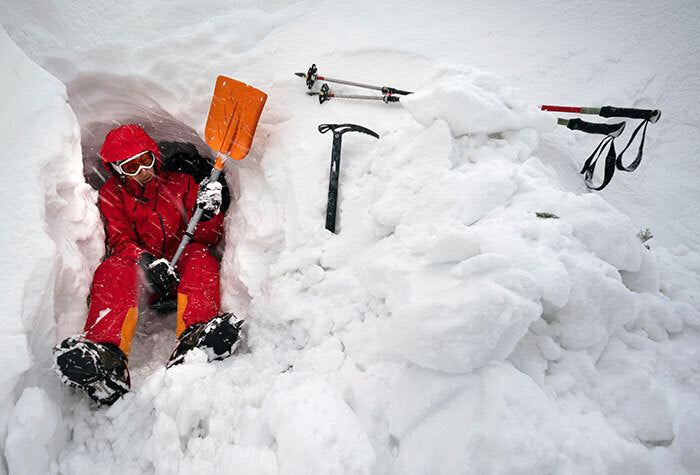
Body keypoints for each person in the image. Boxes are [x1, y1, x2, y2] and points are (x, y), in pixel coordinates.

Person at [53, 124, 242, 405]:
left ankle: (197, 337)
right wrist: (146, 262)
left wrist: (209, 214)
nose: (142, 171)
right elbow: (120, 239)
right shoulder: (112, 194)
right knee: (114, 268)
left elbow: (208, 238)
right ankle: (106, 355)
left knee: (200, 255)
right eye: (131, 167)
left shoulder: (183, 183)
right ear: (117, 170)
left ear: (155, 156)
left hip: (184, 274)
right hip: (143, 279)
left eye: (145, 161)